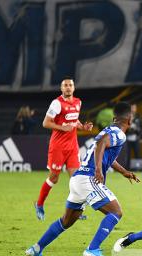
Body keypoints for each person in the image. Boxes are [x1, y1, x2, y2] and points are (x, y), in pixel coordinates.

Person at [25, 102, 140, 256]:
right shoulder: (119, 134)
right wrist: (99, 170)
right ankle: (93, 249)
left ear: (115, 118)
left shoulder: (109, 130)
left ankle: (36, 249)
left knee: (66, 221)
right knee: (116, 212)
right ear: (129, 119)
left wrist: (124, 172)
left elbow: (106, 154)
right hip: (88, 179)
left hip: (78, 179)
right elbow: (101, 145)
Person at [34, 77, 93, 221]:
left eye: (70, 85)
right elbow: (45, 123)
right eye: (65, 85)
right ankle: (39, 204)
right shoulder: (57, 103)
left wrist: (82, 127)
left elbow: (74, 120)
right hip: (58, 147)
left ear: (73, 88)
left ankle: (75, 211)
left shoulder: (78, 102)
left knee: (76, 178)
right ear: (61, 89)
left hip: (72, 146)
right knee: (54, 178)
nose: (68, 87)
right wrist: (62, 127)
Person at [126, 103, 142, 169]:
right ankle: (127, 168)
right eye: (132, 108)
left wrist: (139, 135)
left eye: (134, 108)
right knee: (128, 154)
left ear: (136, 109)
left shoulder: (138, 116)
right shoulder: (127, 116)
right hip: (128, 138)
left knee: (137, 153)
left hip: (136, 138)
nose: (133, 109)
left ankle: (138, 168)